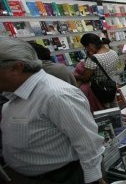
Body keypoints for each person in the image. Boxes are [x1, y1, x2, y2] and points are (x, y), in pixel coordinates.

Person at [0, 38, 105, 184]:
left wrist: (94, 179)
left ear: (17, 68)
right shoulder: (14, 93)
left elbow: (87, 142)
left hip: (59, 177)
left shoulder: (57, 95)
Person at [75, 33, 119, 107]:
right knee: (114, 106)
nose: (88, 50)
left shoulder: (93, 59)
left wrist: (75, 76)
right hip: (112, 85)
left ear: (90, 45)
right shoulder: (113, 52)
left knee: (102, 109)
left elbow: (85, 78)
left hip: (100, 89)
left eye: (86, 47)